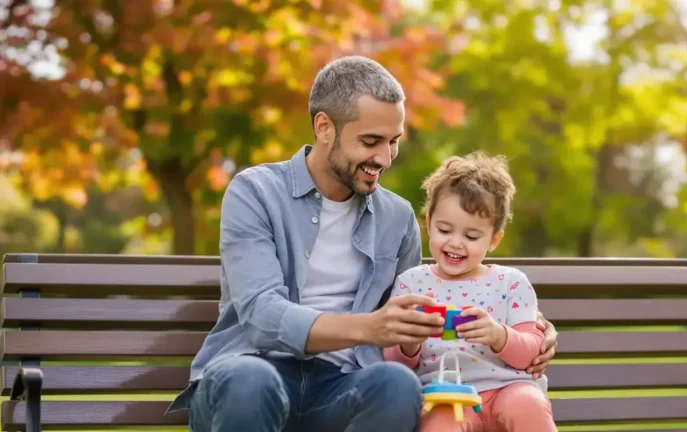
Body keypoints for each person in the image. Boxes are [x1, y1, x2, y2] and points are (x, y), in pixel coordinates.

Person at [166, 55, 558, 432]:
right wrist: (369, 327)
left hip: (339, 386)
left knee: (396, 386)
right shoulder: (255, 192)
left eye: (394, 141)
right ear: (324, 128)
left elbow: (423, 305)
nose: (385, 158)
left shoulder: (397, 217)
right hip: (252, 374)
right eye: (371, 141)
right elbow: (261, 315)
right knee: (251, 379)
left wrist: (524, 331)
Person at [383, 151, 558, 431]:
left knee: (528, 404)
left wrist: (499, 336)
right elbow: (394, 362)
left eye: (471, 236)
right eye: (444, 230)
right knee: (441, 422)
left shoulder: (510, 282)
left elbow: (533, 355)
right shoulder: (411, 284)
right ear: (429, 223)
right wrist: (410, 342)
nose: (455, 243)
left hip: (508, 388)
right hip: (444, 394)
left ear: (494, 240)